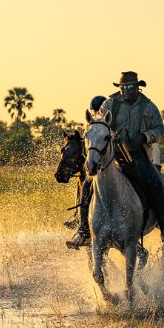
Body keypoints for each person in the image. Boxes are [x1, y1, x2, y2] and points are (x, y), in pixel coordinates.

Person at [102, 71, 164, 243]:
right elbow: (100, 124)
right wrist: (111, 134)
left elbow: (160, 132)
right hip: (112, 155)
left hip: (139, 156)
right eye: (122, 87)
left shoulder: (148, 107)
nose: (125, 90)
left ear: (138, 87)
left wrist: (144, 137)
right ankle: (83, 228)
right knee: (88, 183)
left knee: (156, 183)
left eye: (129, 87)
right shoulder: (110, 104)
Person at [65, 96, 105, 249]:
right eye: (95, 111)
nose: (96, 113)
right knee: (84, 183)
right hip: (94, 164)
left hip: (109, 163)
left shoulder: (108, 121)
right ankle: (82, 227)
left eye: (97, 110)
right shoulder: (90, 125)